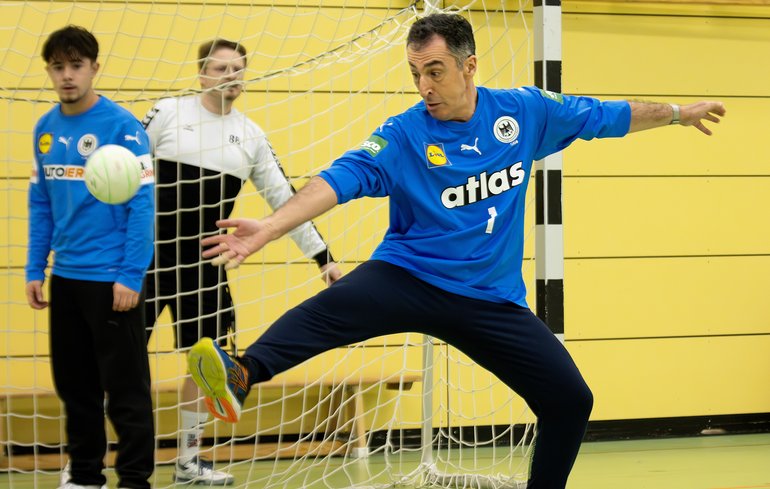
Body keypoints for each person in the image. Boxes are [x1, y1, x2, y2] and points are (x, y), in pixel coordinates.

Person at [185, 13, 726, 489]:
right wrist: (272, 227)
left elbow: (607, 116)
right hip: (410, 275)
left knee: (571, 400)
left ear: (468, 67)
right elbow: (341, 177)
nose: (425, 85)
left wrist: (678, 112)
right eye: (416, 74)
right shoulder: (402, 134)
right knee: (334, 307)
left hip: (490, 298)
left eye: (435, 71)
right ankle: (243, 374)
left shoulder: (525, 113)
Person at [141, 39, 341, 485]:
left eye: (237, 69)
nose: (230, 75)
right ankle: (95, 459)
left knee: (205, 363)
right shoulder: (167, 112)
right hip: (147, 258)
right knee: (121, 356)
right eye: (220, 68)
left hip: (206, 264)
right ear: (202, 74)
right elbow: (126, 169)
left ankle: (188, 463)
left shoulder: (250, 136)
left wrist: (323, 260)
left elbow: (285, 201)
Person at [25, 25, 156, 489]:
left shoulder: (122, 127)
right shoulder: (45, 129)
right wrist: (34, 267)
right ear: (49, 71)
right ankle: (84, 476)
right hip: (67, 279)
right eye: (58, 67)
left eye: (76, 65)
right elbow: (41, 204)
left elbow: (142, 206)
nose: (67, 76)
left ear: (94, 68)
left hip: (113, 282)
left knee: (125, 390)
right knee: (75, 387)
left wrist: (130, 274)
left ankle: (135, 479)